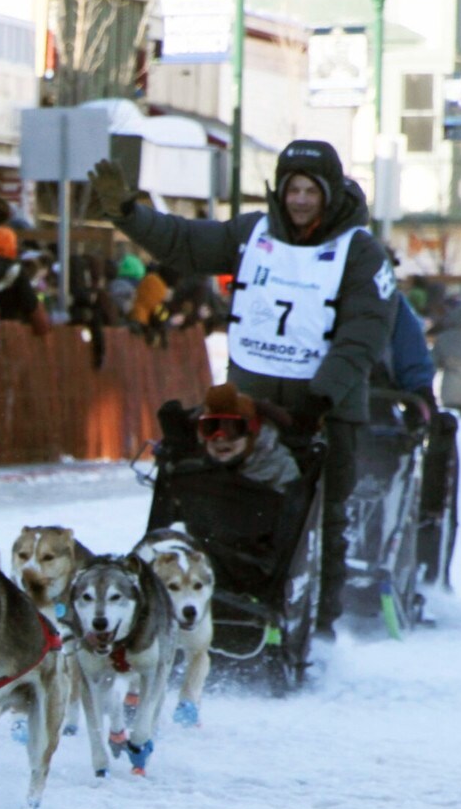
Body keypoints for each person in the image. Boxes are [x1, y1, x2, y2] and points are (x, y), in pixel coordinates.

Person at [90, 138, 398, 637]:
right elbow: (184, 241)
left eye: (310, 190)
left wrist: (323, 396)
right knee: (232, 501)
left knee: (323, 516)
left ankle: (318, 627)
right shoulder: (254, 232)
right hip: (252, 398)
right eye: (292, 188)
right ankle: (221, 612)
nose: (299, 200)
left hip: (327, 408)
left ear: (330, 192)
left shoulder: (360, 252)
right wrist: (127, 212)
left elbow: (364, 331)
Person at [198, 382, 299, 493]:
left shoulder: (281, 468)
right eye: (211, 428)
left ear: (253, 433)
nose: (220, 438)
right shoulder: (198, 468)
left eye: (232, 429)